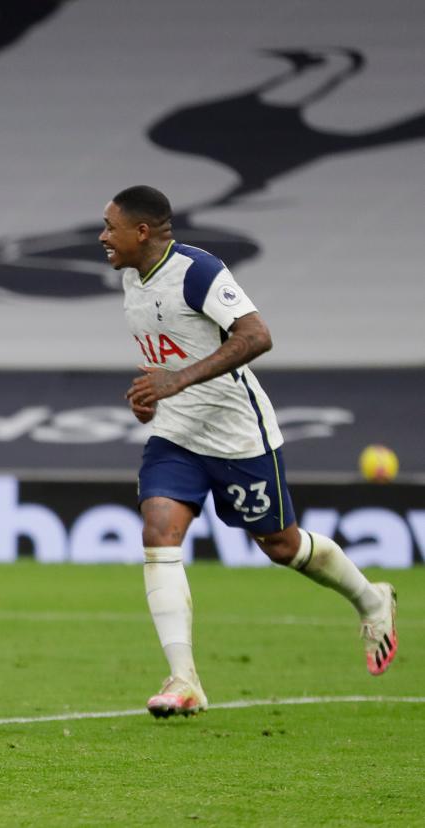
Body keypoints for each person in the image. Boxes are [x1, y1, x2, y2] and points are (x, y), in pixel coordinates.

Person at [101, 184, 398, 718]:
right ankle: (183, 678)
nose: (103, 236)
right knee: (158, 531)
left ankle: (371, 599)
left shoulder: (197, 271)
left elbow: (257, 336)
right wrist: (153, 395)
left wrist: (178, 381)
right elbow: (168, 353)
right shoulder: (130, 279)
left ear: (141, 231)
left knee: (282, 546)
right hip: (176, 435)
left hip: (237, 435)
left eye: (110, 227)